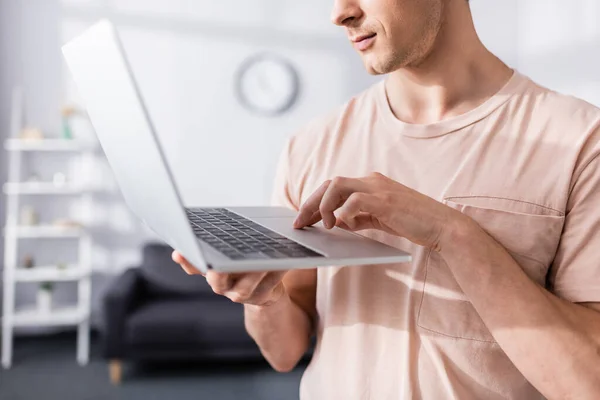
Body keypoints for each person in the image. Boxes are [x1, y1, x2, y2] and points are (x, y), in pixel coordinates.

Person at [174, 0, 600, 398]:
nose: (340, 13)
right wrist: (263, 298)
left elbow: (587, 382)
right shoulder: (311, 144)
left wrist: (450, 232)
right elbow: (283, 352)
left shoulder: (580, 141)